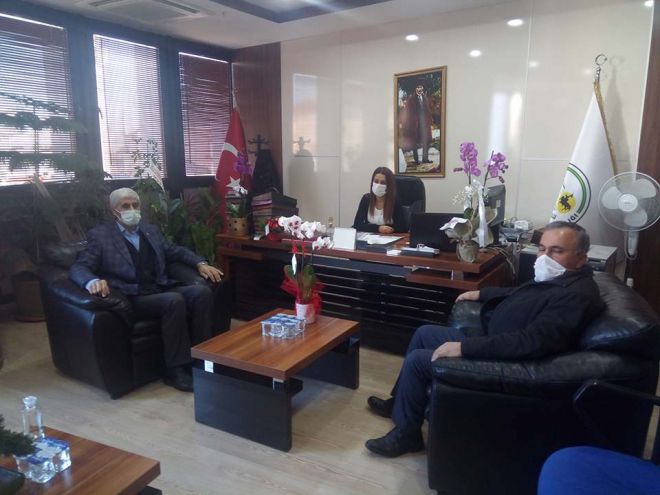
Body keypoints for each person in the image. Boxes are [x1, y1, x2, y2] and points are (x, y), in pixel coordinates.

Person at [365, 221, 605, 457]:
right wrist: (482, 293)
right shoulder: (561, 278)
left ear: (581, 258)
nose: (545, 257)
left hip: (505, 360)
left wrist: (464, 347)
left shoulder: (575, 296)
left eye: (556, 251)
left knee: (418, 360)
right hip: (494, 339)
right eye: (542, 249)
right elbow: (521, 292)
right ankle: (399, 403)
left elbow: (531, 342)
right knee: (425, 333)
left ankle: (407, 435)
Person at [69, 187, 224, 393]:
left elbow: (175, 251)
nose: (132, 209)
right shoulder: (101, 236)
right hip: (133, 296)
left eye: (135, 205)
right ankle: (175, 370)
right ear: (114, 211)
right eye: (126, 206)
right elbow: (79, 267)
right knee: (173, 300)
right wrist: (91, 281)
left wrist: (200, 263)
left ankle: (202, 360)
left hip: (159, 286)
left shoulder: (150, 230)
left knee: (201, 293)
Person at [352, 167, 406, 233]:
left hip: (389, 237)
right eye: (376, 181)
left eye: (383, 183)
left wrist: (387, 229)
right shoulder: (366, 199)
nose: (378, 185)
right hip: (369, 237)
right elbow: (357, 224)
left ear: (389, 186)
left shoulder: (395, 201)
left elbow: (402, 228)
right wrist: (378, 228)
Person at [399, 82, 433, 165]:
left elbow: (427, 110)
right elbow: (408, 112)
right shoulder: (411, 99)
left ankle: (425, 158)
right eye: (418, 87)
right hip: (415, 124)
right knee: (415, 142)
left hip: (424, 123)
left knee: (426, 141)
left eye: (421, 87)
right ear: (416, 89)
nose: (419, 89)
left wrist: (430, 121)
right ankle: (416, 160)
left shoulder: (425, 98)